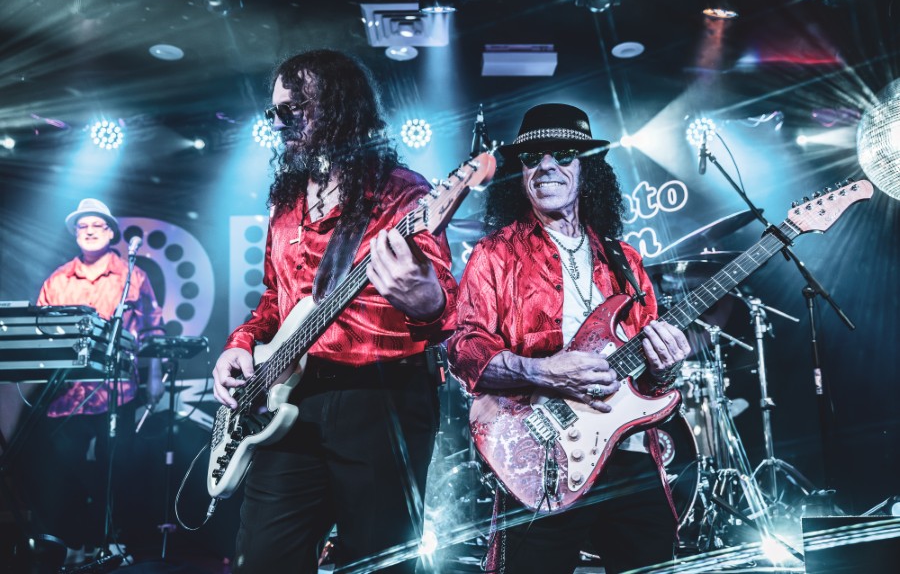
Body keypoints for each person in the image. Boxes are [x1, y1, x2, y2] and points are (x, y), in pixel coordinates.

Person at [211, 49, 458, 573]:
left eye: (293, 109)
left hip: (381, 399)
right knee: (263, 558)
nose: (280, 122)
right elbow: (274, 301)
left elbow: (442, 307)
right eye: (274, 111)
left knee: (379, 561)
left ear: (341, 107)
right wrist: (239, 345)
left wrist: (427, 300)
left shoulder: (401, 193)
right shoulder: (286, 203)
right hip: (290, 400)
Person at [448, 103, 692, 574]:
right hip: (543, 456)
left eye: (562, 154)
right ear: (520, 173)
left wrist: (665, 368)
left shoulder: (624, 261)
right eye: (532, 157)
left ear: (587, 168)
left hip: (629, 452)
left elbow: (650, 382)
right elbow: (464, 349)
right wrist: (543, 371)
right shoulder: (495, 254)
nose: (545, 166)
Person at [21, 197, 163, 562]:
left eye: (97, 225)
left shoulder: (132, 276)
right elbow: (39, 334)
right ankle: (70, 544)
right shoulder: (58, 279)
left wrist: (154, 378)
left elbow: (153, 331)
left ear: (112, 233)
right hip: (65, 395)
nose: (88, 231)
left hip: (117, 391)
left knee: (116, 468)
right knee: (63, 471)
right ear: (74, 234)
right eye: (82, 226)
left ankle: (113, 542)